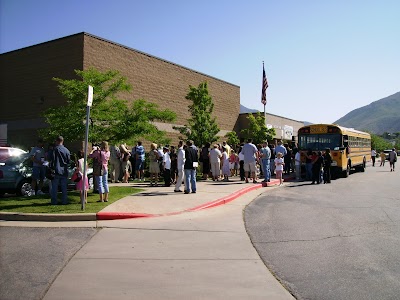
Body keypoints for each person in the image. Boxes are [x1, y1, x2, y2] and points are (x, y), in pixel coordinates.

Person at [49, 136, 71, 205]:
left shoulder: (55, 149)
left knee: (54, 188)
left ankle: (54, 201)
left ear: (57, 141)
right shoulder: (66, 150)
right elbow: (68, 161)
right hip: (64, 171)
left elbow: (52, 159)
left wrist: (50, 167)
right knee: (64, 187)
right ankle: (64, 201)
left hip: (56, 170)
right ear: (62, 141)